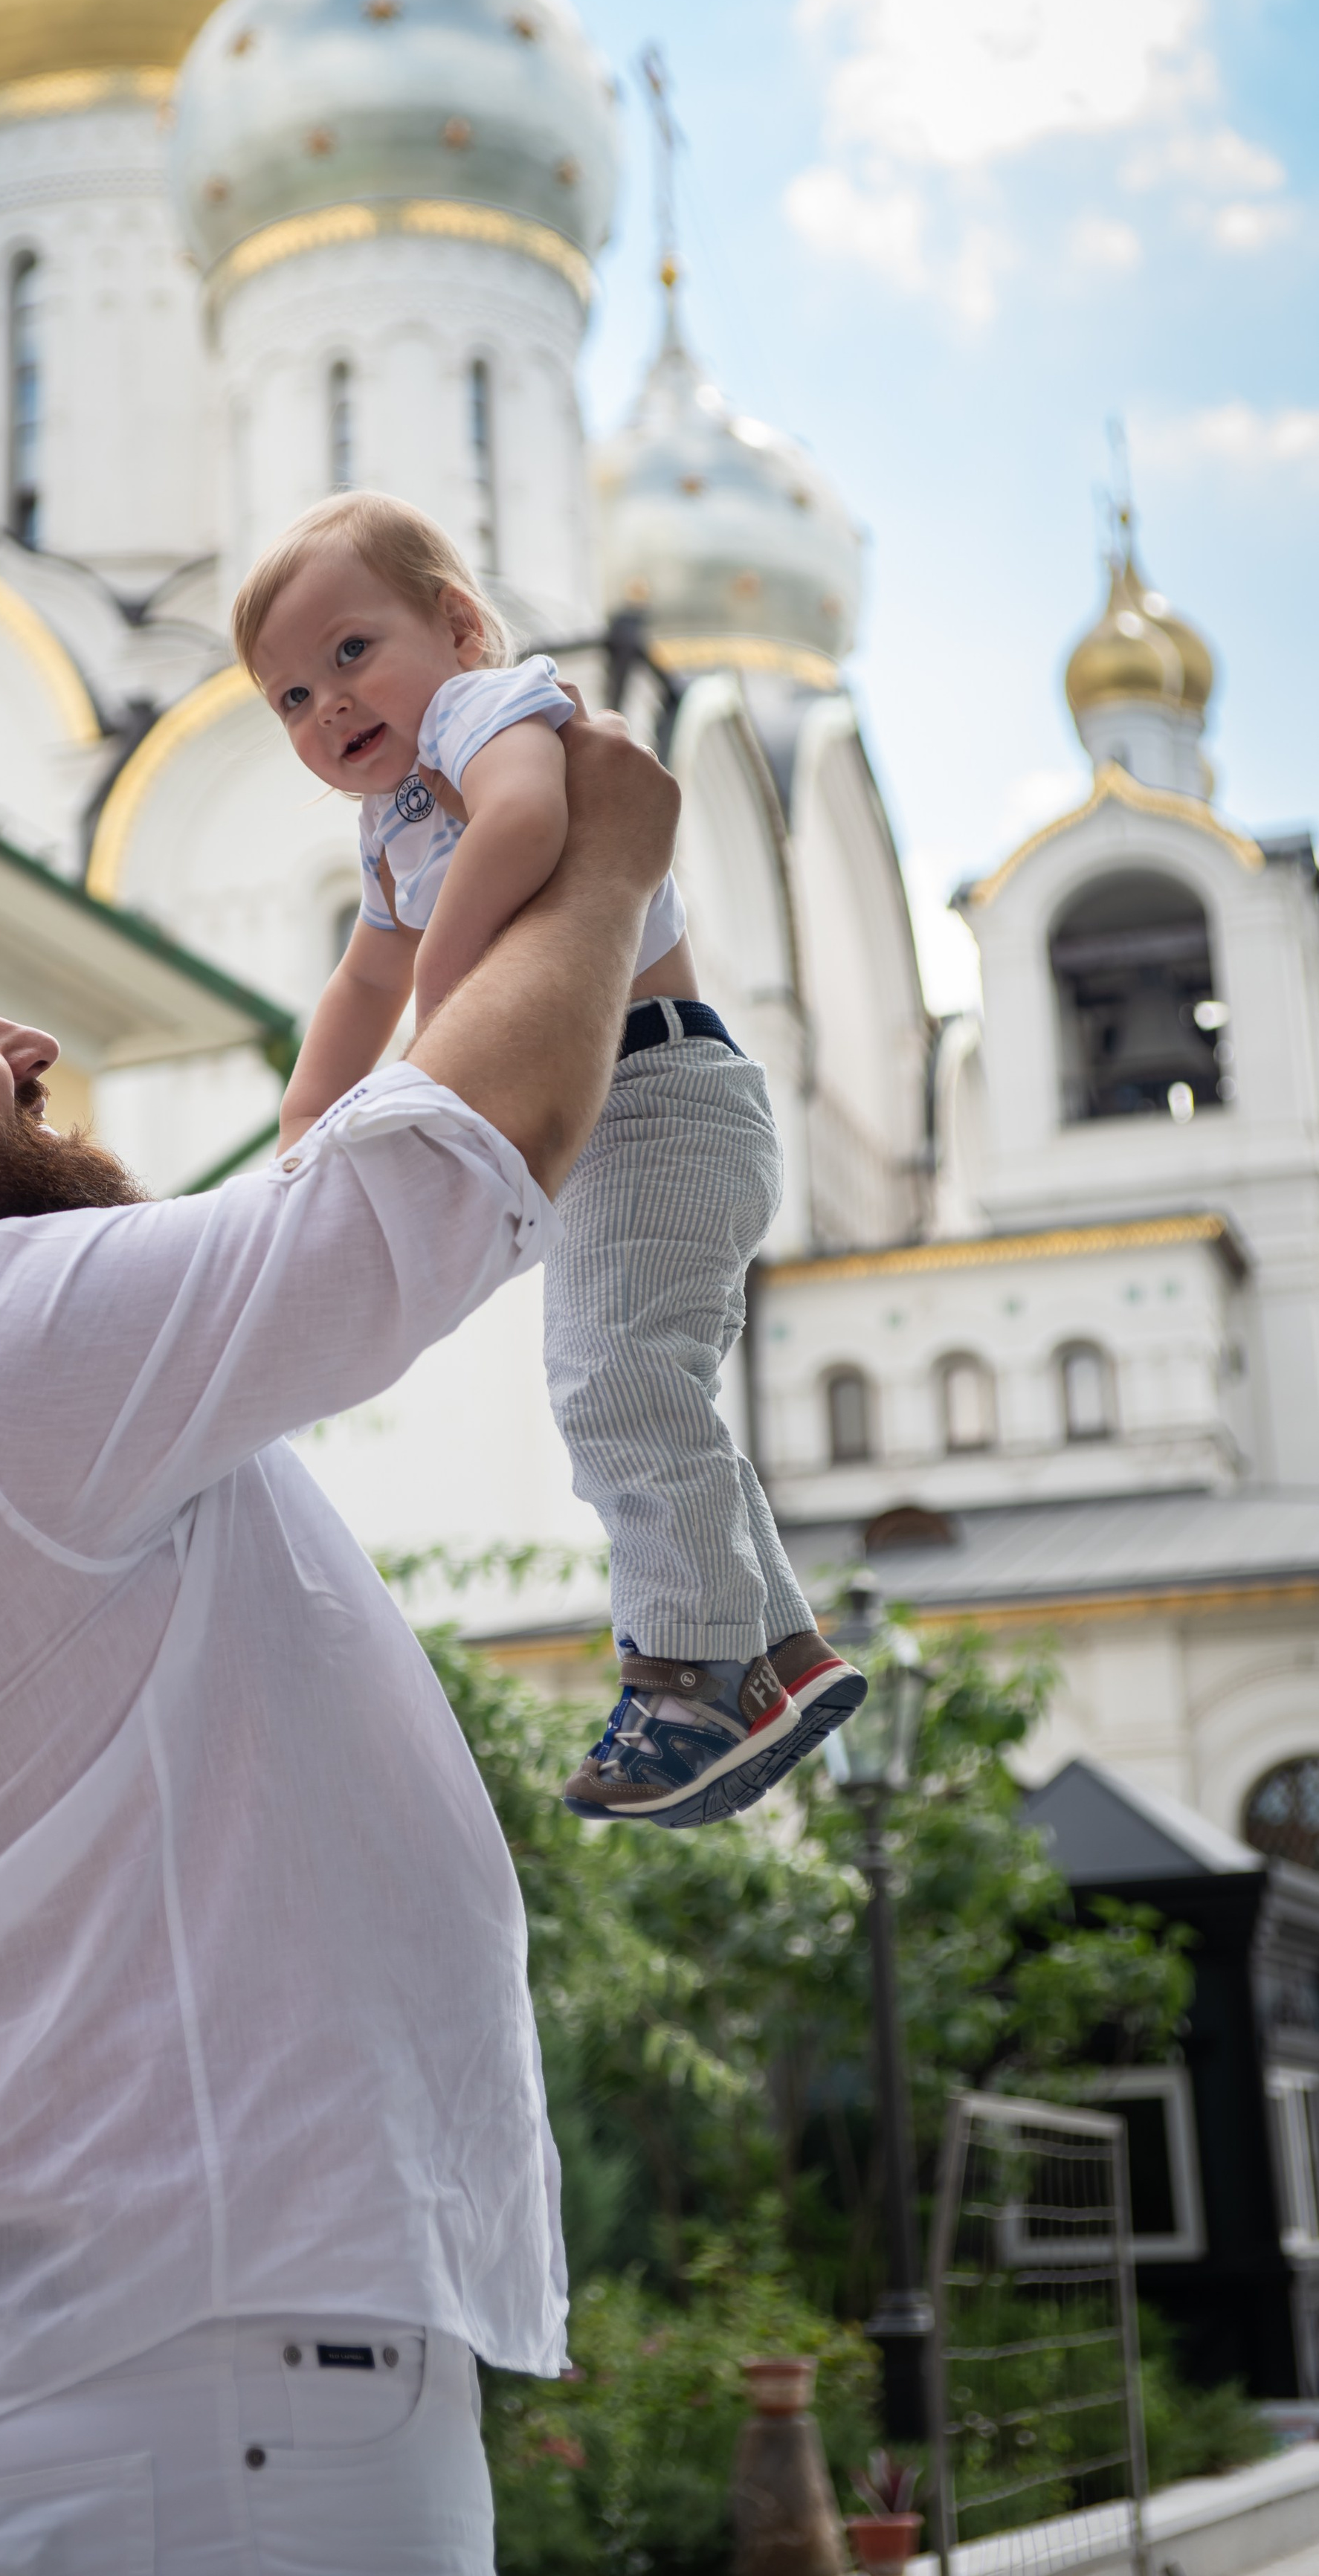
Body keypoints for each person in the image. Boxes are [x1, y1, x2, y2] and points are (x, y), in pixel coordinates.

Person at [0, 705, 679, 2575]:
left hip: (138, 2366)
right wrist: (605, 850)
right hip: (206, 2383)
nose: (30, 1043)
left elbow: (315, 1176)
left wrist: (395, 939)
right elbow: (458, 1163)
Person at [236, 491, 863, 1828]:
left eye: (352, 654)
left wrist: (446, 1032)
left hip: (657, 1093)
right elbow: (361, 975)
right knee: (648, 1378)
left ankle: (691, 1673)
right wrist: (304, 1129)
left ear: (458, 625)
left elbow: (523, 827)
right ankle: (777, 1648)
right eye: (289, 696)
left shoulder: (485, 712)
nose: (326, 706)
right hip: (631, 1114)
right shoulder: (397, 816)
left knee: (616, 1378)